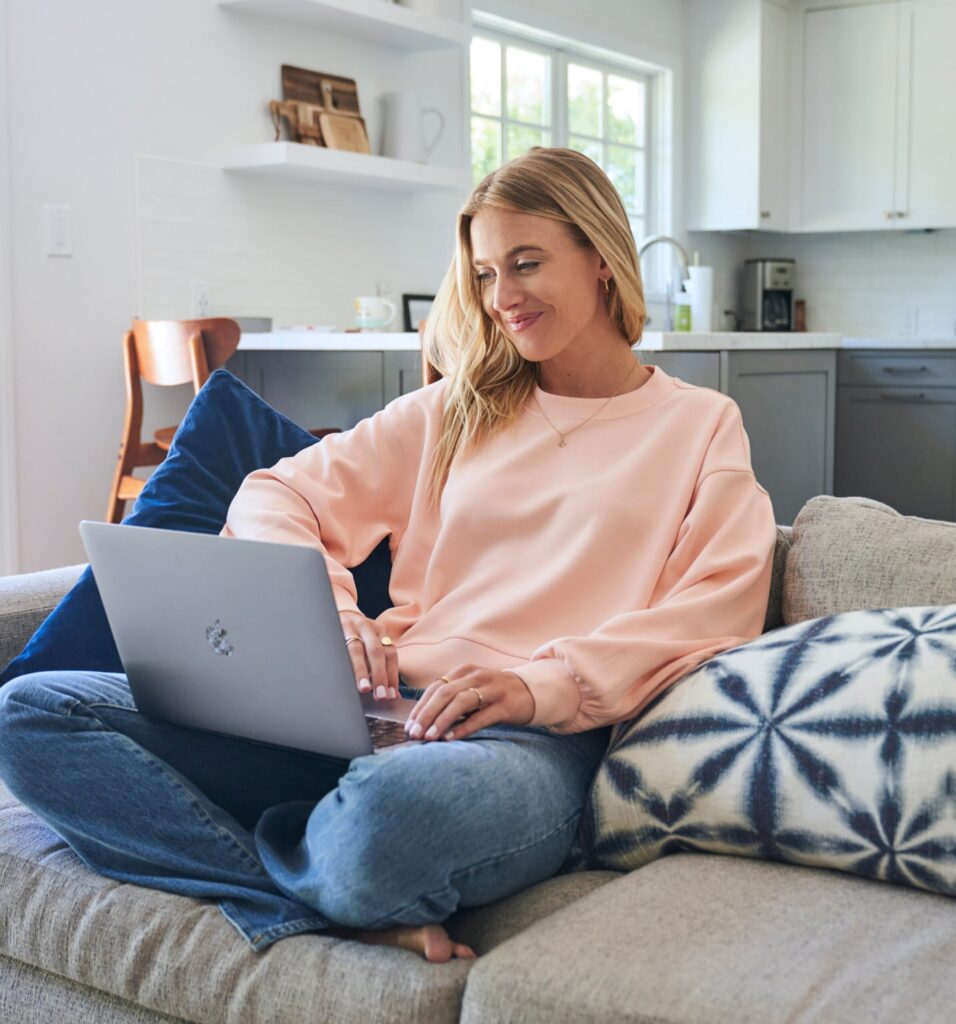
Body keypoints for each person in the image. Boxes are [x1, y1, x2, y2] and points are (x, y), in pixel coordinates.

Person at [0, 147, 777, 964]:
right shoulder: (456, 409)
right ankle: (310, 899)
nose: (502, 297)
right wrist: (333, 613)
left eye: (526, 263)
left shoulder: (698, 425)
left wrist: (534, 685)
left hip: (526, 745)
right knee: (30, 711)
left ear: (601, 259)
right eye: (483, 274)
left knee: (379, 823)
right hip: (366, 710)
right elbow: (274, 493)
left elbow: (717, 606)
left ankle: (327, 859)